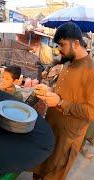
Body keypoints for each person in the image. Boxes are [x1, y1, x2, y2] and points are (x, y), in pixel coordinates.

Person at [32, 22, 94, 180]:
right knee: (40, 167)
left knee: (54, 173)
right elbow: (65, 93)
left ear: (77, 43)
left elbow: (91, 112)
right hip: (52, 127)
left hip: (68, 137)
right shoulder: (68, 62)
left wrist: (60, 102)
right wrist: (49, 91)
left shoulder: (91, 71)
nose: (59, 49)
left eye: (62, 45)